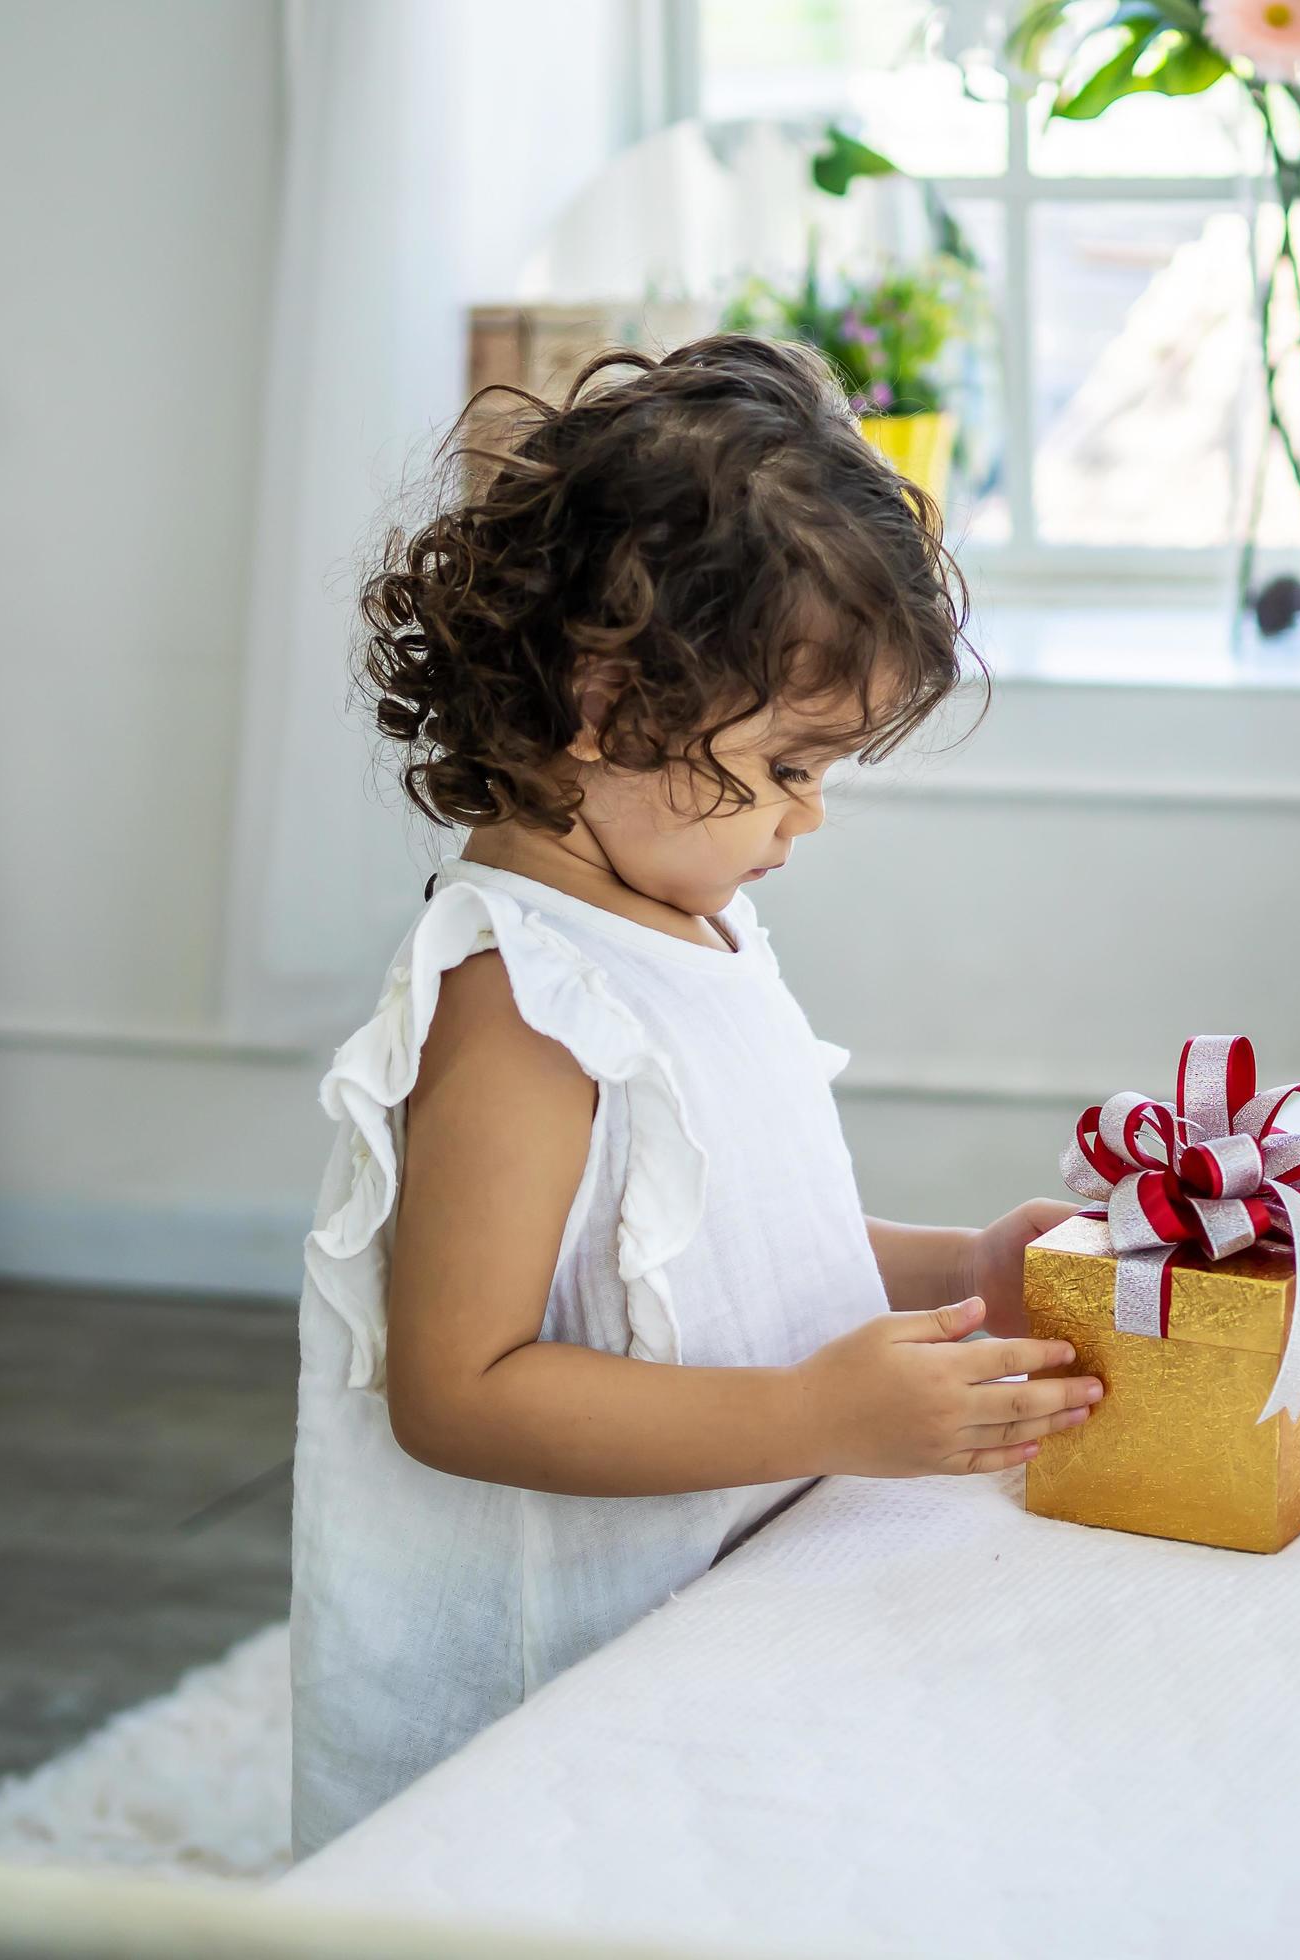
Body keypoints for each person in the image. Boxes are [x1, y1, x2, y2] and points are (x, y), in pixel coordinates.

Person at [289, 335, 1099, 1855]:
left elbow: (721, 1226)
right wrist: (811, 1412)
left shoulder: (688, 922)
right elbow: (456, 1393)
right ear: (608, 707)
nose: (807, 819)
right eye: (793, 767)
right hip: (548, 1699)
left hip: (706, 1611)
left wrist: (964, 1267)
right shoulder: (521, 1005)